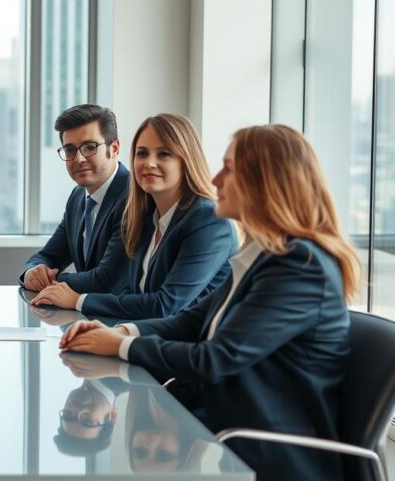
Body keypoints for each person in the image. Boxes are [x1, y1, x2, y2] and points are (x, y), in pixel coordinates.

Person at [60, 124, 360, 480]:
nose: (216, 179)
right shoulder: (262, 256)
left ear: (267, 182)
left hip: (275, 459)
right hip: (233, 438)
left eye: (229, 169)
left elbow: (215, 359)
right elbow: (189, 321)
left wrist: (123, 345)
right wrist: (118, 331)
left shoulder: (299, 266)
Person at [32, 114, 236, 320]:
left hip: (196, 346)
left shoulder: (208, 220)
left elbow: (165, 305)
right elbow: (130, 291)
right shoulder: (147, 217)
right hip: (147, 337)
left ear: (187, 160)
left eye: (164, 154)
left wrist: (78, 300)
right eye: (142, 153)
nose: (149, 163)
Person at [21, 104, 131, 295]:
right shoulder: (78, 198)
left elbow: (106, 280)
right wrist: (32, 272)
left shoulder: (132, 197)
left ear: (114, 148)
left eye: (89, 147)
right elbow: (48, 256)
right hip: (86, 318)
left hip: (124, 321)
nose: (79, 159)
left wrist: (48, 281)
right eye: (70, 150)